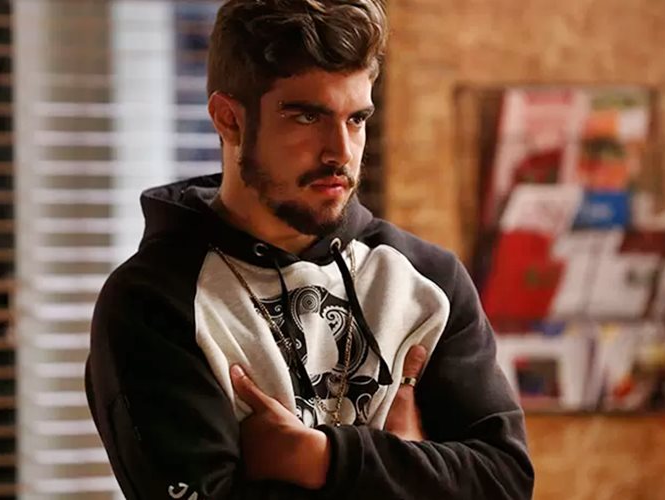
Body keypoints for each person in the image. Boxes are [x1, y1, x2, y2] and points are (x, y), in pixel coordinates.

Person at [85, 0, 534, 498]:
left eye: (356, 119)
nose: (340, 151)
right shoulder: (154, 302)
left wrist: (322, 459)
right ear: (229, 120)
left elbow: (505, 481)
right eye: (306, 116)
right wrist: (408, 466)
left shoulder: (428, 280)